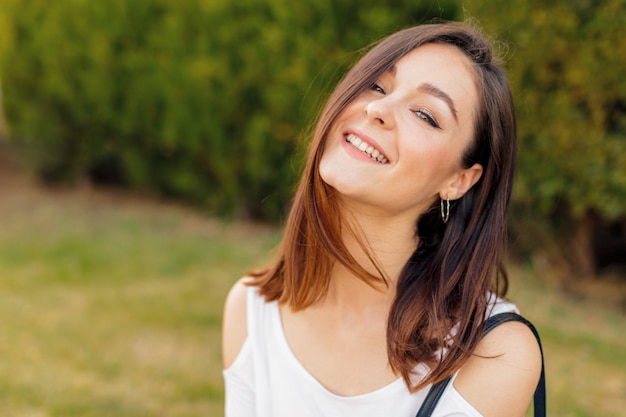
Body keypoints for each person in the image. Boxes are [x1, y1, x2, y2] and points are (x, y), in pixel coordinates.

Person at [222, 21, 542, 417]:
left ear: (458, 180)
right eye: (377, 85)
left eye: (425, 114)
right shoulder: (251, 309)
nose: (377, 109)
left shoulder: (493, 354)